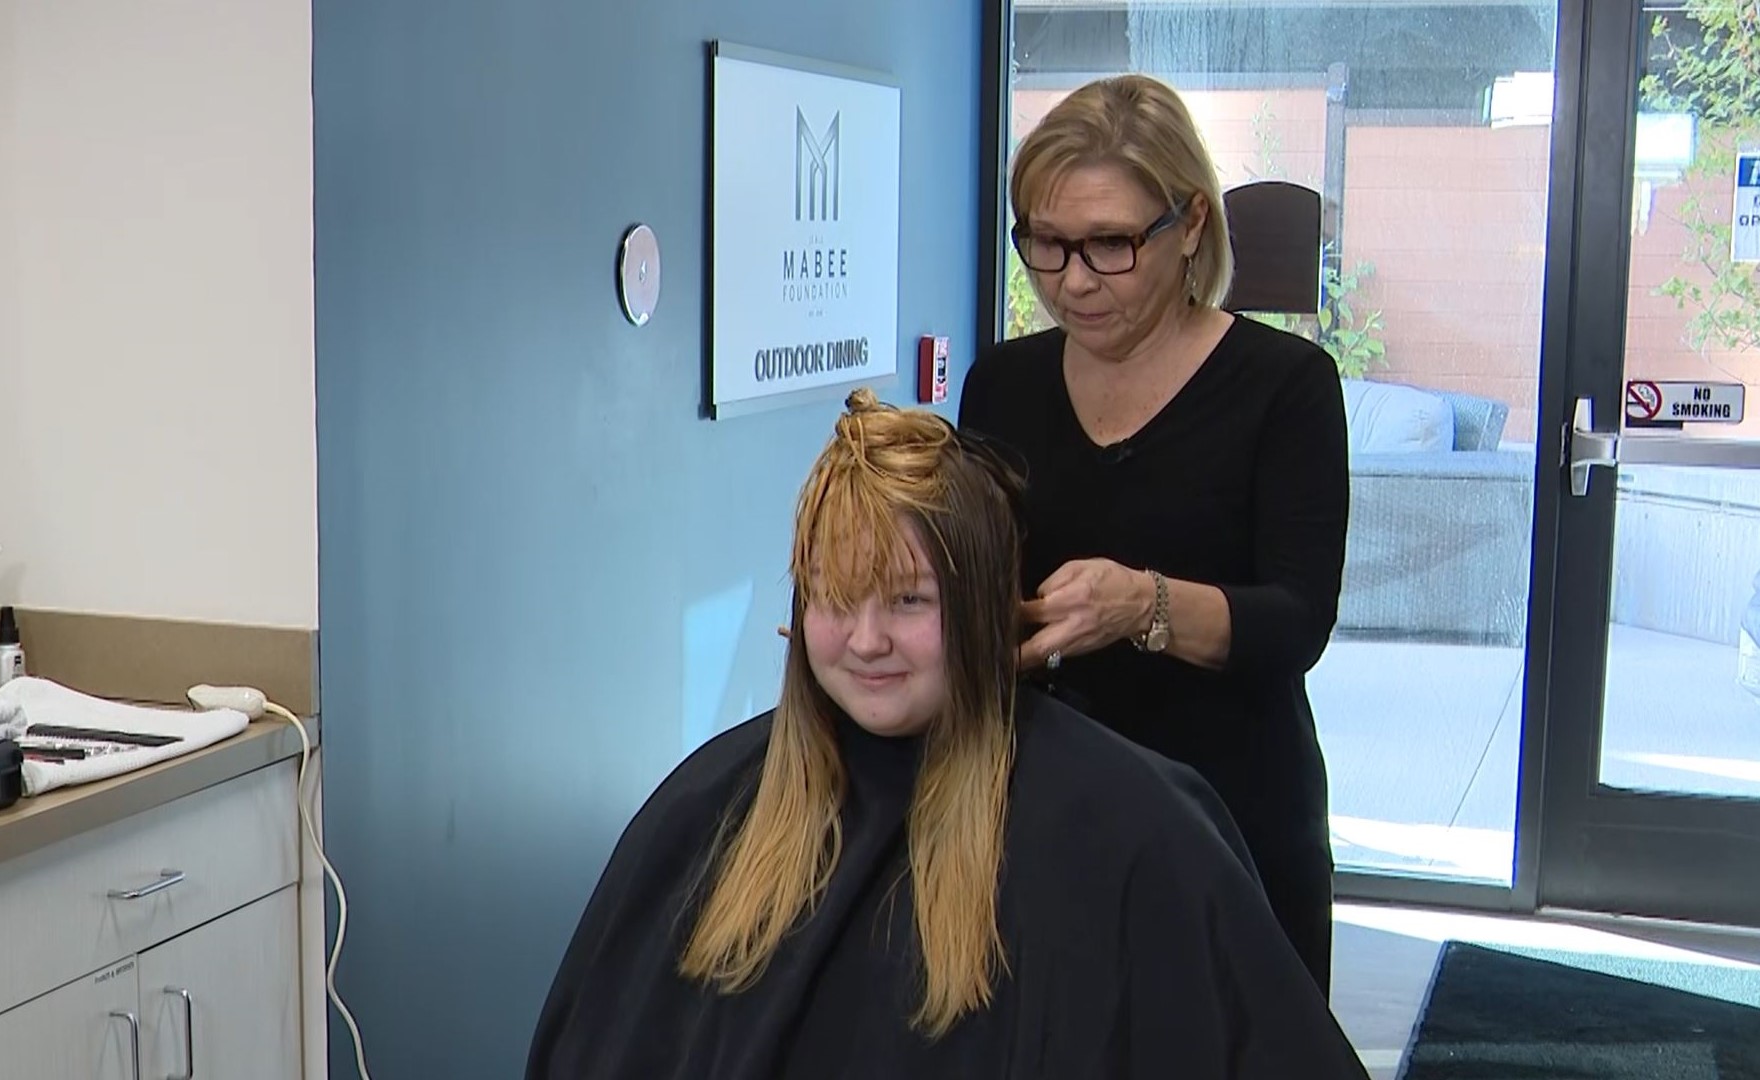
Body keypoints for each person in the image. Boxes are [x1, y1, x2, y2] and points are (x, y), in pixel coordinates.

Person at [527, 389, 1366, 1078]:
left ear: (979, 606)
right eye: (834, 597)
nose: (865, 641)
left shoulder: (1135, 831)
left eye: (907, 601)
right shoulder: (705, 811)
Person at [959, 73, 1350, 996]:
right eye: (1045, 246)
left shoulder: (1286, 386)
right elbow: (974, 573)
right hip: (1040, 809)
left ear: (1193, 229)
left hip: (1234, 817)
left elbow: (1295, 622)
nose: (1073, 281)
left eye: (1111, 245)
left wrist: (1143, 605)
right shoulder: (1003, 385)